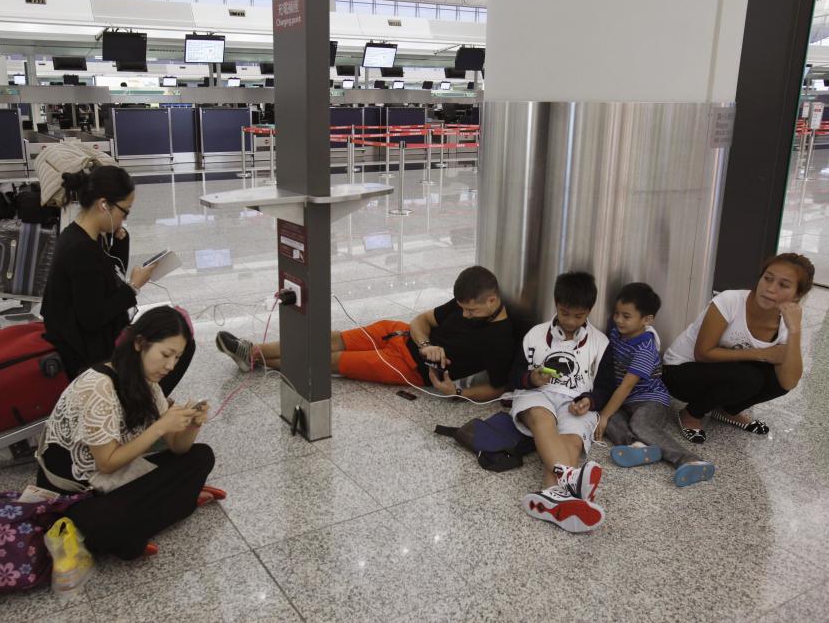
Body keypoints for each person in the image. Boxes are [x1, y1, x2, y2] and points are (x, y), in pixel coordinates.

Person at [36, 307, 220, 560]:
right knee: (106, 524)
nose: (170, 366)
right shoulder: (98, 386)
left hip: (110, 480)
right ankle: (176, 503)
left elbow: (179, 448)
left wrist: (193, 424)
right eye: (166, 354)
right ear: (139, 343)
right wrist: (161, 425)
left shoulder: (149, 384)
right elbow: (107, 463)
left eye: (177, 358)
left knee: (201, 456)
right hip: (73, 494)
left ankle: (161, 511)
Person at [214, 266, 518, 401]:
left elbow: (498, 387)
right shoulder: (466, 302)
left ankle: (256, 361)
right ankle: (252, 350)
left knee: (329, 361)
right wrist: (425, 343)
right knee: (332, 338)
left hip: (408, 368)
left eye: (471, 311)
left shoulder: (501, 339)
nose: (465, 314)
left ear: (492, 300)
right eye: (463, 309)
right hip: (398, 334)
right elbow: (421, 320)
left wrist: (457, 392)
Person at [41, 165, 192, 397]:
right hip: (87, 352)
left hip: (92, 337)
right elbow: (92, 318)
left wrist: (119, 236)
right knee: (180, 340)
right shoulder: (81, 250)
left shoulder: (83, 235)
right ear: (104, 204)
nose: (125, 217)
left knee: (172, 325)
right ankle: (139, 403)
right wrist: (133, 288)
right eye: (125, 211)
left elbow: (112, 273)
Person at [663, 253, 813, 443]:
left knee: (777, 379)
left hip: (728, 374)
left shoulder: (787, 321)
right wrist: (762, 354)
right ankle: (691, 414)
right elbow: (702, 353)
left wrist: (795, 331)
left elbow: (789, 382)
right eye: (767, 279)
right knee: (749, 377)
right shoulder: (730, 301)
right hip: (680, 372)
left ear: (797, 295)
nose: (770, 289)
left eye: (783, 285)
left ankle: (727, 410)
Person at [505, 271, 608, 533]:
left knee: (572, 441)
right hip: (537, 395)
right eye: (565, 313)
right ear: (555, 304)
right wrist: (531, 378)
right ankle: (571, 479)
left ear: (589, 311)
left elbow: (607, 387)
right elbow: (513, 376)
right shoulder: (535, 335)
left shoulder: (601, 343)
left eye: (579, 316)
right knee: (542, 420)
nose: (571, 321)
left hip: (575, 402)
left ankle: (552, 497)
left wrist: (589, 400)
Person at [593, 283, 714, 487]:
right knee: (606, 417)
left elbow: (627, 386)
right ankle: (635, 446)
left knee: (639, 423)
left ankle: (690, 460)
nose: (618, 320)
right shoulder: (616, 332)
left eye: (626, 316)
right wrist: (604, 415)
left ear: (647, 320)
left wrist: (604, 415)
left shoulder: (645, 348)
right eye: (616, 313)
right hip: (624, 400)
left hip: (650, 399)